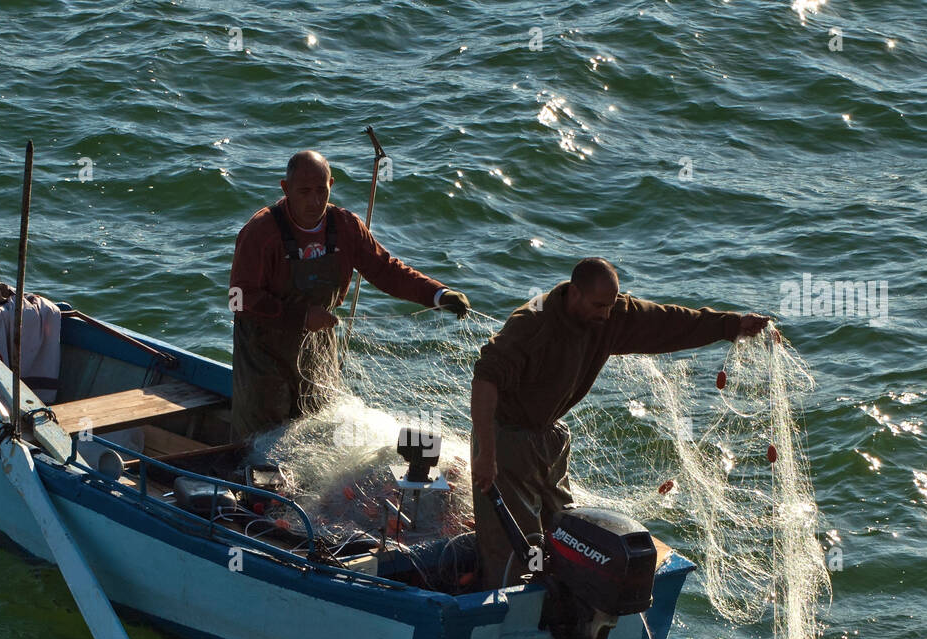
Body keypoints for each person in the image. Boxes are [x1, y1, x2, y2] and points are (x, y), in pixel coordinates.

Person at [469, 257, 771, 591]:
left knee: (567, 527)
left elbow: (667, 323)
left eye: (611, 305)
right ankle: (510, 607)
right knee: (515, 542)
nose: (606, 314)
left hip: (549, 436)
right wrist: (486, 452)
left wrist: (731, 326)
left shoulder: (609, 316)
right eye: (599, 305)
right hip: (507, 438)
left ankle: (570, 597)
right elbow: (485, 378)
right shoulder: (531, 325)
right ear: (575, 295)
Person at [228, 149, 471, 440]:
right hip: (263, 351)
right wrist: (301, 316)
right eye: (304, 191)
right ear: (285, 188)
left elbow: (385, 270)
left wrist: (437, 294)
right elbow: (238, 300)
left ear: (332, 184)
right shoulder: (261, 232)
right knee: (263, 439)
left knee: (319, 427)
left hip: (317, 343)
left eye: (321, 190)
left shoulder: (345, 227)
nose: (315, 201)